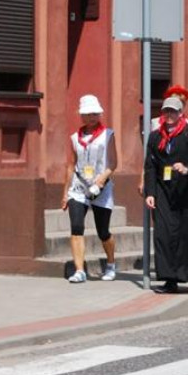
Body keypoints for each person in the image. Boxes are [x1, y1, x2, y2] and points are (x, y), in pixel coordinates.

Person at [144, 96, 188, 292]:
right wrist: (150, 192)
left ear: (181, 113)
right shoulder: (155, 137)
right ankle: (170, 279)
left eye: (173, 111)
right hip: (164, 192)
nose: (169, 115)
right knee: (164, 235)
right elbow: (150, 167)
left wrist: (187, 168)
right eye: (166, 111)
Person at [62, 95, 117, 283]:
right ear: (81, 116)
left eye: (95, 113)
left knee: (103, 231)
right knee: (76, 227)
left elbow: (113, 163)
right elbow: (70, 165)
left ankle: (110, 263)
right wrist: (65, 193)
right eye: (87, 114)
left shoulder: (108, 135)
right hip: (78, 188)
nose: (92, 117)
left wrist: (100, 181)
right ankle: (79, 270)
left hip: (100, 187)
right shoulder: (74, 138)